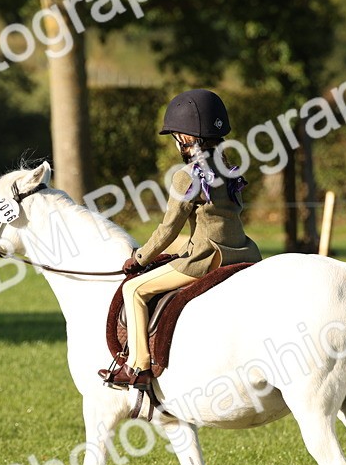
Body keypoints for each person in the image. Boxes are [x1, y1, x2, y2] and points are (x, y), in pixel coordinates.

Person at [100, 89, 263, 390]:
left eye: (176, 136)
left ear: (187, 139)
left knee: (134, 290)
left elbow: (167, 229)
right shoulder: (229, 167)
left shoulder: (187, 176)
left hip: (206, 256)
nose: (176, 142)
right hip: (243, 251)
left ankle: (138, 366)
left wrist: (139, 259)